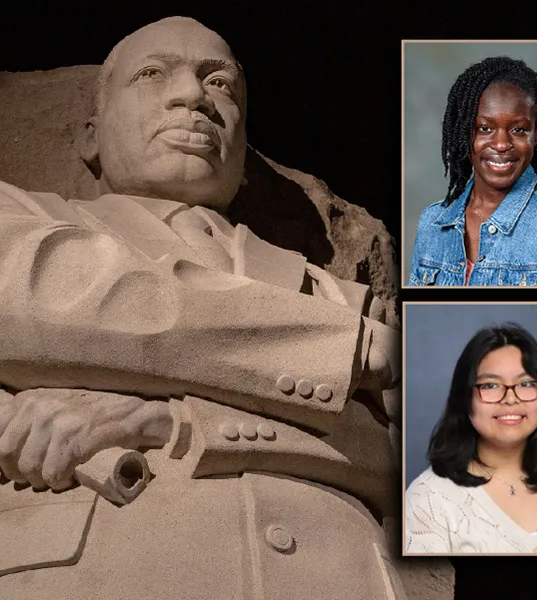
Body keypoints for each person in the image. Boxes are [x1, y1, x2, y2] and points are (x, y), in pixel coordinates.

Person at [0, 17, 405, 599]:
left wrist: (175, 421)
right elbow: (41, 298)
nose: (193, 96)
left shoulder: (333, 290)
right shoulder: (24, 221)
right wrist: (351, 348)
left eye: (221, 85)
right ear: (90, 136)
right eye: (152, 74)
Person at [404, 323, 537, 554]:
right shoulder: (427, 499)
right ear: (464, 398)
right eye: (490, 385)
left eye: (526, 384)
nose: (510, 399)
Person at [408, 56, 537, 286]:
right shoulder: (432, 222)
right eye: (484, 128)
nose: (500, 144)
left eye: (518, 129)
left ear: (536, 134)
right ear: (464, 132)